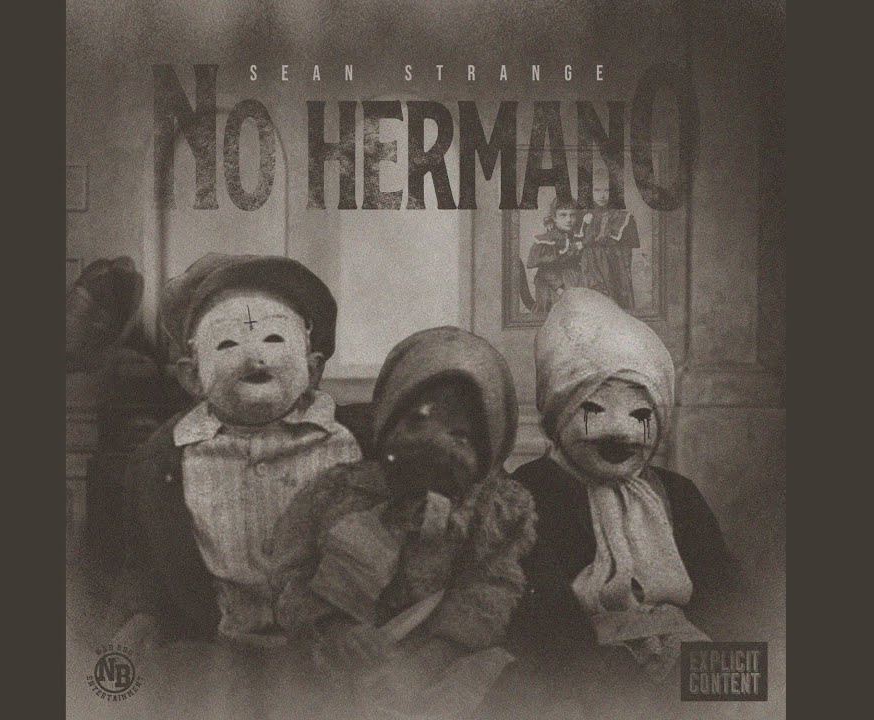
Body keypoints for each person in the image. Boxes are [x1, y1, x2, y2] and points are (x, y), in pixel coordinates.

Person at [109, 252, 362, 719]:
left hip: (322, 655)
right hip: (213, 653)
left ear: (313, 367)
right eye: (227, 343)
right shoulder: (162, 462)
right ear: (192, 375)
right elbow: (143, 561)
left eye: (273, 337)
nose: (255, 355)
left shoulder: (351, 447)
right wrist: (141, 618)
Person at [271, 327, 536, 720]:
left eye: (461, 435)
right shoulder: (337, 491)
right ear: (387, 420)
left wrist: (434, 655)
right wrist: (333, 629)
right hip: (338, 656)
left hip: (438, 659)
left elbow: (488, 590)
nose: (435, 442)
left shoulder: (494, 511)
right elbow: (291, 570)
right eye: (416, 421)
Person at [505, 288, 743, 717]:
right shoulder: (531, 491)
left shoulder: (678, 494)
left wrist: (721, 675)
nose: (621, 432)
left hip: (686, 660)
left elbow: (723, 596)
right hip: (589, 669)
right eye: (595, 411)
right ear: (560, 416)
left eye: (639, 415)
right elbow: (544, 619)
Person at [579, 186, 643, 311]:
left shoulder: (622, 217)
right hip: (589, 266)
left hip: (613, 266)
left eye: (606, 190)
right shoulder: (583, 216)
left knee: (614, 301)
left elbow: (627, 252)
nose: (602, 195)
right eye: (597, 190)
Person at [526, 199, 585, 313]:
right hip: (553, 284)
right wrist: (559, 289)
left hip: (573, 279)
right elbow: (546, 270)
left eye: (572, 215)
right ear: (554, 218)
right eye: (563, 215)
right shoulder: (549, 240)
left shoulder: (575, 236)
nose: (569, 220)